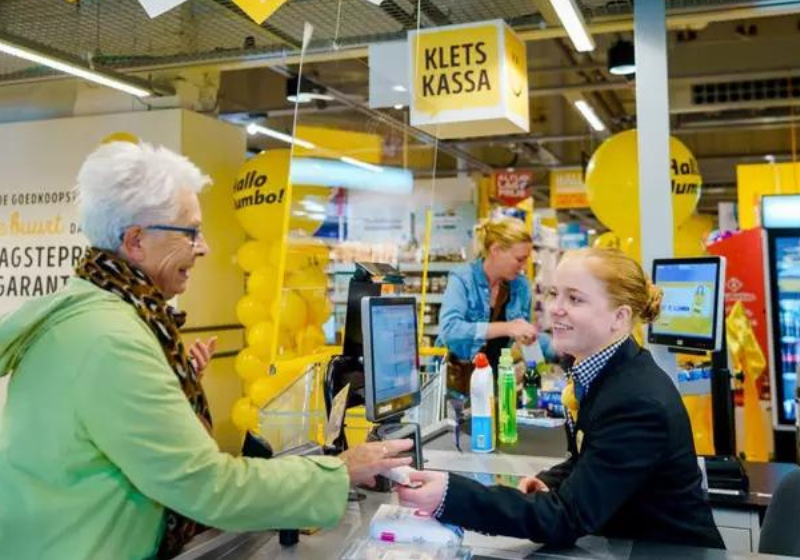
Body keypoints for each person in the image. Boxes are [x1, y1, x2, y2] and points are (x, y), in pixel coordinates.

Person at [0, 142, 411, 560]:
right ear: (136, 240)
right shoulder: (110, 338)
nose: (204, 248)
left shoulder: (95, 313)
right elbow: (204, 485)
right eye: (191, 232)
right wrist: (340, 471)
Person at [399, 248, 724, 549]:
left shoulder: (637, 401)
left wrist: (450, 496)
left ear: (620, 317)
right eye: (555, 294)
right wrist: (547, 481)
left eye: (575, 299)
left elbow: (566, 517)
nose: (556, 308)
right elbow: (590, 459)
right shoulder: (609, 372)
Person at [437, 216, 551, 389]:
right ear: (496, 250)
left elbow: (525, 338)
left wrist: (543, 369)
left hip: (494, 381)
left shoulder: (520, 286)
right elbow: (450, 330)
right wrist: (507, 327)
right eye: (519, 259)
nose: (524, 266)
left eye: (527, 259)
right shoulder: (463, 279)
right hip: (455, 383)